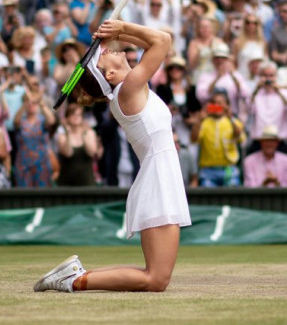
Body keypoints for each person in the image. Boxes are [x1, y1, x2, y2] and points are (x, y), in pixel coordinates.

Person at [34, 20, 190, 293]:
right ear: (109, 76)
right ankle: (74, 281)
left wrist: (120, 32)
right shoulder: (128, 89)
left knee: (155, 277)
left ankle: (74, 276)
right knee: (156, 279)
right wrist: (121, 29)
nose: (110, 50)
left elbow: (158, 41)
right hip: (158, 182)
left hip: (161, 179)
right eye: (104, 56)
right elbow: (163, 40)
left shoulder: (130, 88)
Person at [191, 90, 246, 187]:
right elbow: (194, 139)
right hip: (208, 171)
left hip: (229, 170)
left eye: (220, 103)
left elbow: (239, 136)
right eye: (214, 103)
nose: (217, 105)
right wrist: (199, 119)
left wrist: (230, 117)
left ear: (227, 105)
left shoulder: (233, 121)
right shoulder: (204, 123)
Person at [13, 93, 56, 188]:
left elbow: (52, 121)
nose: (31, 105)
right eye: (28, 102)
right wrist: (25, 104)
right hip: (23, 165)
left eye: (34, 103)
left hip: (42, 164)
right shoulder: (21, 120)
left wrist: (41, 104)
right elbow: (15, 122)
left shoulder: (42, 120)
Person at [56, 103, 98, 187]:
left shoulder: (89, 133)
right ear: (67, 118)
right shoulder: (62, 135)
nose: (76, 117)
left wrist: (83, 135)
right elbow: (68, 153)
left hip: (86, 181)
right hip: (66, 183)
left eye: (79, 115)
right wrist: (68, 134)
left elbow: (92, 152)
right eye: (73, 114)